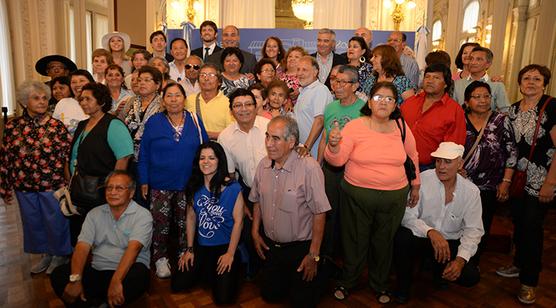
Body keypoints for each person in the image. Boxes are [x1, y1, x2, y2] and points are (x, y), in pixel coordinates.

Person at [325, 82, 420, 304]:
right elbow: (337, 161)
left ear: (395, 105)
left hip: (393, 198)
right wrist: (333, 145)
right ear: (369, 102)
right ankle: (348, 281)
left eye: (389, 98)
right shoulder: (355, 127)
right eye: (379, 97)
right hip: (357, 197)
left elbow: (413, 156)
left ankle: (380, 284)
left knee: (383, 242)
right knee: (354, 240)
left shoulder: (401, 127)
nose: (383, 102)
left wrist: (416, 184)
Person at [250, 116, 331, 307]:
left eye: (276, 138)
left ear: (292, 142)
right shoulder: (263, 165)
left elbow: (320, 213)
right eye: (267, 136)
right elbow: (257, 200)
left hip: (301, 249)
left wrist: (313, 255)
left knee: (302, 302)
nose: (269, 144)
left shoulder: (309, 168)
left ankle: (324, 266)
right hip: (272, 247)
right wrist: (254, 232)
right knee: (270, 296)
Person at [393, 142, 484, 303]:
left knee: (471, 276)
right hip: (424, 238)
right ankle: (403, 288)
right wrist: (430, 232)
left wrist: (460, 261)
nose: (441, 167)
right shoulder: (422, 181)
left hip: (450, 242)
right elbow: (407, 216)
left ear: (460, 164)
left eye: (448, 162)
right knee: (402, 238)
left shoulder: (471, 192)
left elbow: (474, 230)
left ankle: (438, 269)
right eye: (438, 161)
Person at [496, 64, 555, 304]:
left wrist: (550, 183)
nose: (531, 82)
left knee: (532, 228)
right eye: (526, 78)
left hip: (541, 179)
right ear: (519, 83)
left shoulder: (552, 107)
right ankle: (519, 264)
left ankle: (529, 281)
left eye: (536, 78)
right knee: (519, 223)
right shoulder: (512, 110)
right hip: (518, 179)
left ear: (544, 83)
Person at [50, 170, 153, 307]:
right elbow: (82, 247)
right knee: (58, 274)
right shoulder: (94, 214)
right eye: (109, 188)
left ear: (132, 193)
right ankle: (97, 302)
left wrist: (116, 281)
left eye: (119, 188)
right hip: (98, 270)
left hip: (127, 272)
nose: (112, 192)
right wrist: (76, 279)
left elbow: (133, 250)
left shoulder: (143, 215)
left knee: (140, 276)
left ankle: (96, 301)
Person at [0, 80, 72, 275]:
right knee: (33, 222)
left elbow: (68, 155)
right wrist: (4, 187)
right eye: (36, 98)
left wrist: (70, 182)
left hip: (52, 184)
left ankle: (60, 254)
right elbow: (6, 156)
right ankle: (45, 254)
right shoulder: (13, 126)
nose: (41, 102)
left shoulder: (56, 126)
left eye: (44, 98)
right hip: (24, 185)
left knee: (55, 221)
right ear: (24, 102)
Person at [138, 82, 208, 278]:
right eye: (169, 95)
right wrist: (144, 180)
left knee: (186, 222)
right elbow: (143, 153)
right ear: (163, 99)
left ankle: (184, 253)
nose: (173, 99)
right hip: (160, 183)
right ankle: (160, 257)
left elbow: (205, 150)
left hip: (188, 182)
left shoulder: (194, 119)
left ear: (184, 98)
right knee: (159, 223)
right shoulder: (154, 121)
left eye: (177, 95)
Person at [172, 142, 244, 304]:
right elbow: (190, 217)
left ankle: (233, 268)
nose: (206, 161)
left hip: (225, 247)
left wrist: (230, 254)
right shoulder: (194, 185)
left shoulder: (233, 188)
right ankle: (207, 273)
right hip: (202, 246)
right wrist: (189, 249)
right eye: (202, 158)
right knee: (177, 285)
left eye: (212, 158)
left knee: (223, 299)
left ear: (220, 161)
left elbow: (239, 222)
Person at [68, 83, 134, 245]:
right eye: (81, 99)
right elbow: (73, 156)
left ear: (102, 102)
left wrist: (114, 189)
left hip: (102, 191)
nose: (83, 102)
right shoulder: (83, 125)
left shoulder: (113, 124)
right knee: (83, 235)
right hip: (81, 190)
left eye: (88, 99)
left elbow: (123, 158)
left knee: (104, 235)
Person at [462, 81, 517, 264]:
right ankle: (456, 258)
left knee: (482, 224)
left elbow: (511, 152)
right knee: (458, 221)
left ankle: (473, 262)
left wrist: (506, 181)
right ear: (467, 101)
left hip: (489, 185)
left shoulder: (501, 120)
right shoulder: (459, 119)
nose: (483, 100)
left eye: (486, 96)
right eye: (477, 97)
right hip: (461, 183)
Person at [218, 89, 270, 278]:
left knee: (273, 232)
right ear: (231, 110)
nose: (244, 109)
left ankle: (273, 268)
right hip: (248, 190)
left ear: (256, 106)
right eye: (238, 105)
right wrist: (241, 202)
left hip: (276, 189)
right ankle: (256, 270)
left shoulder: (269, 126)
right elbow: (231, 175)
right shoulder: (226, 136)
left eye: (248, 104)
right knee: (250, 234)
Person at [317, 65, 365, 258]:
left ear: (355, 86)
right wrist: (319, 165)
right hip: (331, 168)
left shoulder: (364, 110)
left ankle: (350, 257)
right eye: (335, 81)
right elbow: (324, 138)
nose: (337, 86)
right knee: (330, 212)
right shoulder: (330, 108)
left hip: (354, 167)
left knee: (351, 215)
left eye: (343, 82)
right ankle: (328, 255)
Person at [401, 63, 466, 171]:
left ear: (446, 84)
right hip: (400, 162)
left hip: (431, 168)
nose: (430, 80)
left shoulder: (454, 110)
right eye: (427, 76)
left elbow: (453, 147)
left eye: (436, 77)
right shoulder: (410, 103)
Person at [294, 56, 333, 159]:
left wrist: (306, 146)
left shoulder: (320, 90)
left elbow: (320, 120)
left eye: (304, 70)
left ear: (315, 72)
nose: (300, 73)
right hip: (302, 153)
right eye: (298, 69)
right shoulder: (303, 91)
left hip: (313, 153)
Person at [123, 65, 164, 159]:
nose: (141, 83)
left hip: (154, 155)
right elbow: (121, 125)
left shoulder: (163, 104)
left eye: (146, 80)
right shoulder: (130, 102)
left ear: (157, 84)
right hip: (129, 155)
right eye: (140, 80)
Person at [185, 63, 233, 140]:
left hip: (218, 149)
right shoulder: (189, 100)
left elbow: (232, 133)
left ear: (219, 82)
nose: (206, 78)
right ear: (198, 81)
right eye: (202, 75)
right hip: (194, 148)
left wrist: (210, 135)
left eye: (211, 75)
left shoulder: (228, 103)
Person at [453, 46, 510, 112]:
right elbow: (453, 109)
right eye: (471, 59)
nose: (473, 62)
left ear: (488, 64)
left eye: (479, 59)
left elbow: (505, 110)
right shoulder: (457, 84)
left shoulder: (497, 85)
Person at [52, 69, 94, 135]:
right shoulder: (62, 103)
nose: (78, 84)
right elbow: (53, 128)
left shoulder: (97, 104)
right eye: (74, 82)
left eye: (82, 81)